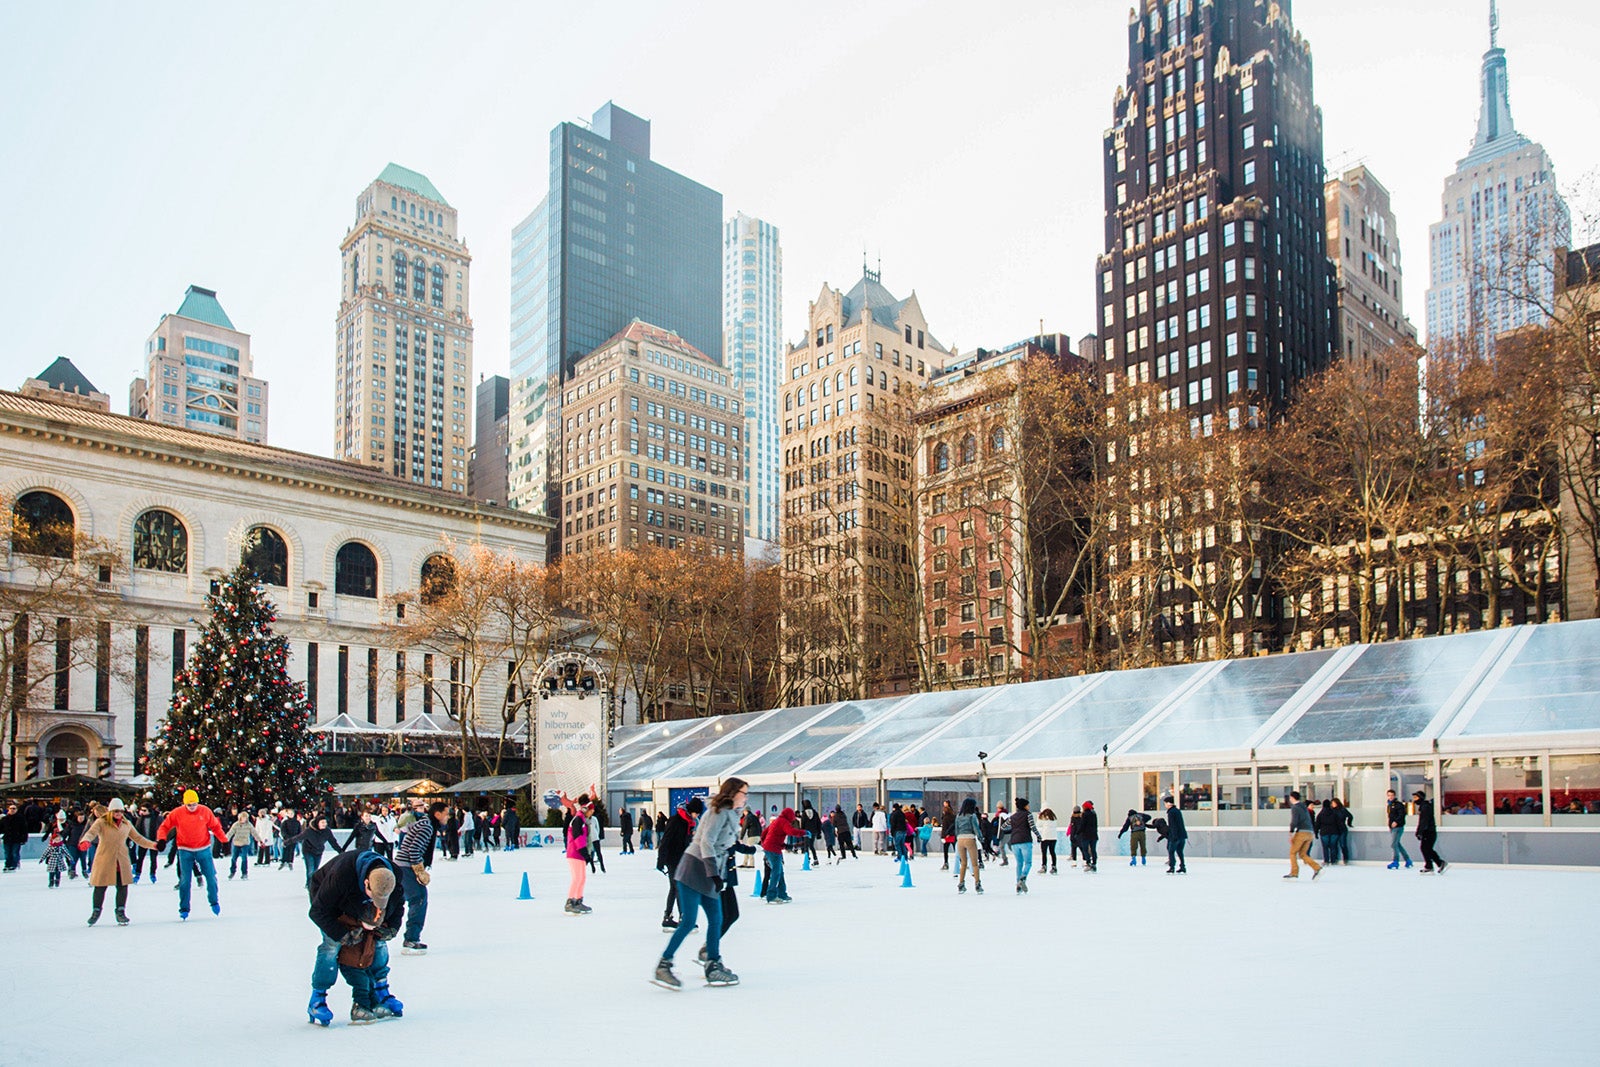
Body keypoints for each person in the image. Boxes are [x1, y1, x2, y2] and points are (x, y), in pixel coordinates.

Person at [651, 778, 747, 990]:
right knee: (689, 921)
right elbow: (706, 842)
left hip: (710, 872)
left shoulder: (731, 814)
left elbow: (724, 844)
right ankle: (663, 965)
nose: (746, 797)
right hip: (693, 869)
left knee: (716, 919)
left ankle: (712, 965)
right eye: (743, 793)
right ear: (733, 793)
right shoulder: (718, 812)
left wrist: (737, 852)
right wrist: (714, 874)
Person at [307, 847, 405, 1026]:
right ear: (366, 883)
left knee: (378, 941)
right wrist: (343, 934)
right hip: (329, 902)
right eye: (374, 897)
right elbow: (317, 912)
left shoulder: (393, 876)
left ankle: (380, 990)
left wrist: (392, 928)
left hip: (358, 900)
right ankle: (317, 999)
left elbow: (398, 905)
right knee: (331, 945)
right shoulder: (340, 876)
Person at [80, 798, 158, 926]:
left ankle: (120, 912)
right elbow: (91, 833)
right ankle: (96, 911)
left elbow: (138, 838)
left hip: (121, 860)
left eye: (121, 811)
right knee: (100, 886)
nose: (119, 814)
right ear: (111, 811)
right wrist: (85, 841)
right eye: (116, 811)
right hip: (105, 858)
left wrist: (154, 845)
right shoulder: (101, 822)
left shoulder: (126, 824)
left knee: (122, 886)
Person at [156, 789, 229, 918]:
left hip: (203, 849)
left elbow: (216, 827)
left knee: (211, 877)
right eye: (189, 805)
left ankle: (214, 901)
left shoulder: (205, 811)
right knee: (185, 880)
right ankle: (184, 908)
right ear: (185, 804)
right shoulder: (177, 813)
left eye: (194, 804)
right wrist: (161, 839)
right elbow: (164, 826)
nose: (192, 807)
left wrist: (224, 841)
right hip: (185, 850)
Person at [393, 801, 444, 953]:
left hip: (403, 865)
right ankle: (411, 939)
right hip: (406, 866)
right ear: (438, 814)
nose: (448, 817)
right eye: (446, 814)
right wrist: (419, 870)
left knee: (399, 900)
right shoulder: (427, 826)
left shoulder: (426, 824)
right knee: (419, 899)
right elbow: (413, 849)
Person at [657, 797, 702, 930]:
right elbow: (665, 840)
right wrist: (661, 860)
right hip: (673, 859)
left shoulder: (689, 823)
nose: (697, 816)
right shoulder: (675, 820)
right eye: (697, 813)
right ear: (692, 811)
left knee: (674, 888)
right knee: (679, 888)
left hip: (682, 860)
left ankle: (667, 918)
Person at [288, 814, 348, 888]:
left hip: (318, 852)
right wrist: (287, 842)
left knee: (315, 870)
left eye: (325, 822)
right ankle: (310, 886)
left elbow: (333, 842)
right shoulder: (309, 831)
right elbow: (298, 838)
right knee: (311, 870)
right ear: (318, 823)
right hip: (308, 851)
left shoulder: (327, 831)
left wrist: (341, 852)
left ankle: (310, 883)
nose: (324, 824)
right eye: (322, 822)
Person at [761, 806, 804, 903]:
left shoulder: (776, 821)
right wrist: (803, 832)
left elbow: (764, 833)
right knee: (776, 872)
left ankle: (782, 894)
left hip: (771, 848)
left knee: (779, 872)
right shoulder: (783, 822)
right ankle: (771, 896)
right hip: (773, 849)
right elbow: (791, 831)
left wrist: (765, 843)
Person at [560, 792, 594, 914]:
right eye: (591, 811)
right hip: (574, 853)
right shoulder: (578, 820)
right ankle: (570, 902)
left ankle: (578, 900)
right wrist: (585, 853)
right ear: (586, 809)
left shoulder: (583, 820)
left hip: (579, 854)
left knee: (582, 878)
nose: (592, 813)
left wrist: (586, 854)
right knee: (577, 878)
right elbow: (578, 838)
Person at [1284, 791, 1323, 880]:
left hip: (1302, 832)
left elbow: (1294, 821)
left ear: (1292, 798)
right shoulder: (1304, 807)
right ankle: (1317, 868)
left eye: (1290, 798)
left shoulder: (1295, 807)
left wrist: (1291, 832)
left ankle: (1294, 873)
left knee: (1293, 852)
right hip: (1309, 832)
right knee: (1303, 854)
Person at [1008, 796, 1040, 892]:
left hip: (1014, 842)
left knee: (1019, 863)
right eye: (1027, 805)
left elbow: (1003, 826)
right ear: (1024, 806)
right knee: (1028, 863)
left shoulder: (1013, 816)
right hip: (1025, 840)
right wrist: (1038, 836)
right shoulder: (1028, 815)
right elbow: (1032, 826)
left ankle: (1018, 885)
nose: (1029, 807)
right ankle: (1023, 877)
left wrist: (1013, 830)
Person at [953, 797, 984, 894]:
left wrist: (958, 838)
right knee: (974, 864)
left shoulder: (958, 816)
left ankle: (961, 884)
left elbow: (956, 829)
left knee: (963, 863)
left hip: (960, 840)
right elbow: (976, 828)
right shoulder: (972, 816)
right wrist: (981, 838)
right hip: (970, 839)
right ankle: (978, 884)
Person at [1414, 791, 1448, 874]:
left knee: (1426, 848)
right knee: (1426, 848)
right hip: (1428, 831)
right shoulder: (1423, 806)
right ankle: (1430, 865)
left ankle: (1439, 863)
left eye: (1416, 797)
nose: (1414, 799)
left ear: (1421, 798)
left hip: (1429, 831)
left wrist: (1420, 832)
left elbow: (1424, 821)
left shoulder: (1425, 807)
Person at [133, 803, 163, 882]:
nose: (142, 812)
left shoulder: (157, 818)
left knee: (153, 859)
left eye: (144, 810)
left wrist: (160, 839)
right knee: (140, 858)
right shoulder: (140, 819)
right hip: (143, 842)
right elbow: (136, 830)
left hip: (154, 842)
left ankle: (152, 874)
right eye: (141, 810)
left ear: (149, 810)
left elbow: (162, 828)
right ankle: (137, 874)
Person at [1385, 789, 1413, 870]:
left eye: (1392, 795)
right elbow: (1390, 816)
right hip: (1392, 827)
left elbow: (1402, 815)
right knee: (1397, 844)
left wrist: (1396, 822)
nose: (1390, 797)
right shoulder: (1389, 805)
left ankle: (1395, 861)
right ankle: (1408, 860)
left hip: (1398, 827)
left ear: (1394, 796)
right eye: (1389, 795)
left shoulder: (1398, 805)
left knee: (1394, 844)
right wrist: (1390, 825)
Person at [1, 801, 29, 871]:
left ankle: (14, 864)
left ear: (16, 810)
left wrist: (24, 838)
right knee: (7, 853)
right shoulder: (5, 819)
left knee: (14, 852)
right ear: (8, 809)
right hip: (7, 838)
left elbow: (24, 829)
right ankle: (7, 865)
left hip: (17, 838)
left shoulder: (20, 818)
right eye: (11, 808)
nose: (12, 810)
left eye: (14, 808)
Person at [227, 810, 255, 879]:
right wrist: (225, 838)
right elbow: (230, 832)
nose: (244, 819)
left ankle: (244, 873)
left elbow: (254, 832)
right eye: (243, 817)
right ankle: (232, 872)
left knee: (244, 858)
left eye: (245, 818)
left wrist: (260, 840)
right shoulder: (236, 824)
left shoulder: (249, 825)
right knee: (234, 858)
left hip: (245, 843)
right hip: (236, 843)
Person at [1164, 796, 1187, 874]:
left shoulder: (1171, 812)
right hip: (1182, 835)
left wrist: (1173, 836)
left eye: (1165, 803)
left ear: (1169, 803)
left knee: (1171, 851)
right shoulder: (1177, 811)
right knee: (1180, 851)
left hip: (1175, 836)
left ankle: (1172, 867)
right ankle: (1182, 866)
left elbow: (1173, 825)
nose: (1165, 805)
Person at [1315, 799, 1343, 865]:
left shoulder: (1320, 814)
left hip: (1324, 832)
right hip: (1334, 832)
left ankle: (1326, 861)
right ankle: (1333, 860)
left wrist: (1316, 832)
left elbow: (1317, 824)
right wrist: (1340, 831)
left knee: (1325, 847)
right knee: (1333, 846)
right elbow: (1339, 823)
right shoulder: (1334, 813)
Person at [799, 801, 823, 867]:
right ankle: (815, 859)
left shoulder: (804, 813)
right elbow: (819, 823)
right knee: (811, 845)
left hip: (806, 832)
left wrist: (801, 832)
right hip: (814, 831)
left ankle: (807, 859)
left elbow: (802, 824)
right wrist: (819, 832)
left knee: (806, 846)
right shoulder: (815, 813)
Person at [1036, 808, 1059, 873]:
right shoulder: (1054, 819)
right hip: (1053, 838)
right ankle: (1054, 866)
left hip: (1045, 837)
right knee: (1052, 852)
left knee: (1044, 853)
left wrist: (1038, 816)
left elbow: (1038, 824)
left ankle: (1044, 866)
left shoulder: (1044, 819)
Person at [1078, 801, 1099, 872]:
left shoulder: (1084, 814)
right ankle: (1094, 864)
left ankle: (1088, 863)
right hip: (1094, 835)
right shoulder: (1094, 814)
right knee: (1093, 850)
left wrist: (1077, 833)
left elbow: (1083, 825)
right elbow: (1095, 824)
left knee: (1085, 850)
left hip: (1086, 835)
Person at [938, 800, 957, 870]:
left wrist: (943, 836)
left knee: (946, 850)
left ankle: (946, 863)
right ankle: (961, 862)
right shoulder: (954, 817)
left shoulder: (945, 818)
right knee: (956, 849)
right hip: (953, 835)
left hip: (946, 836)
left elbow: (944, 828)